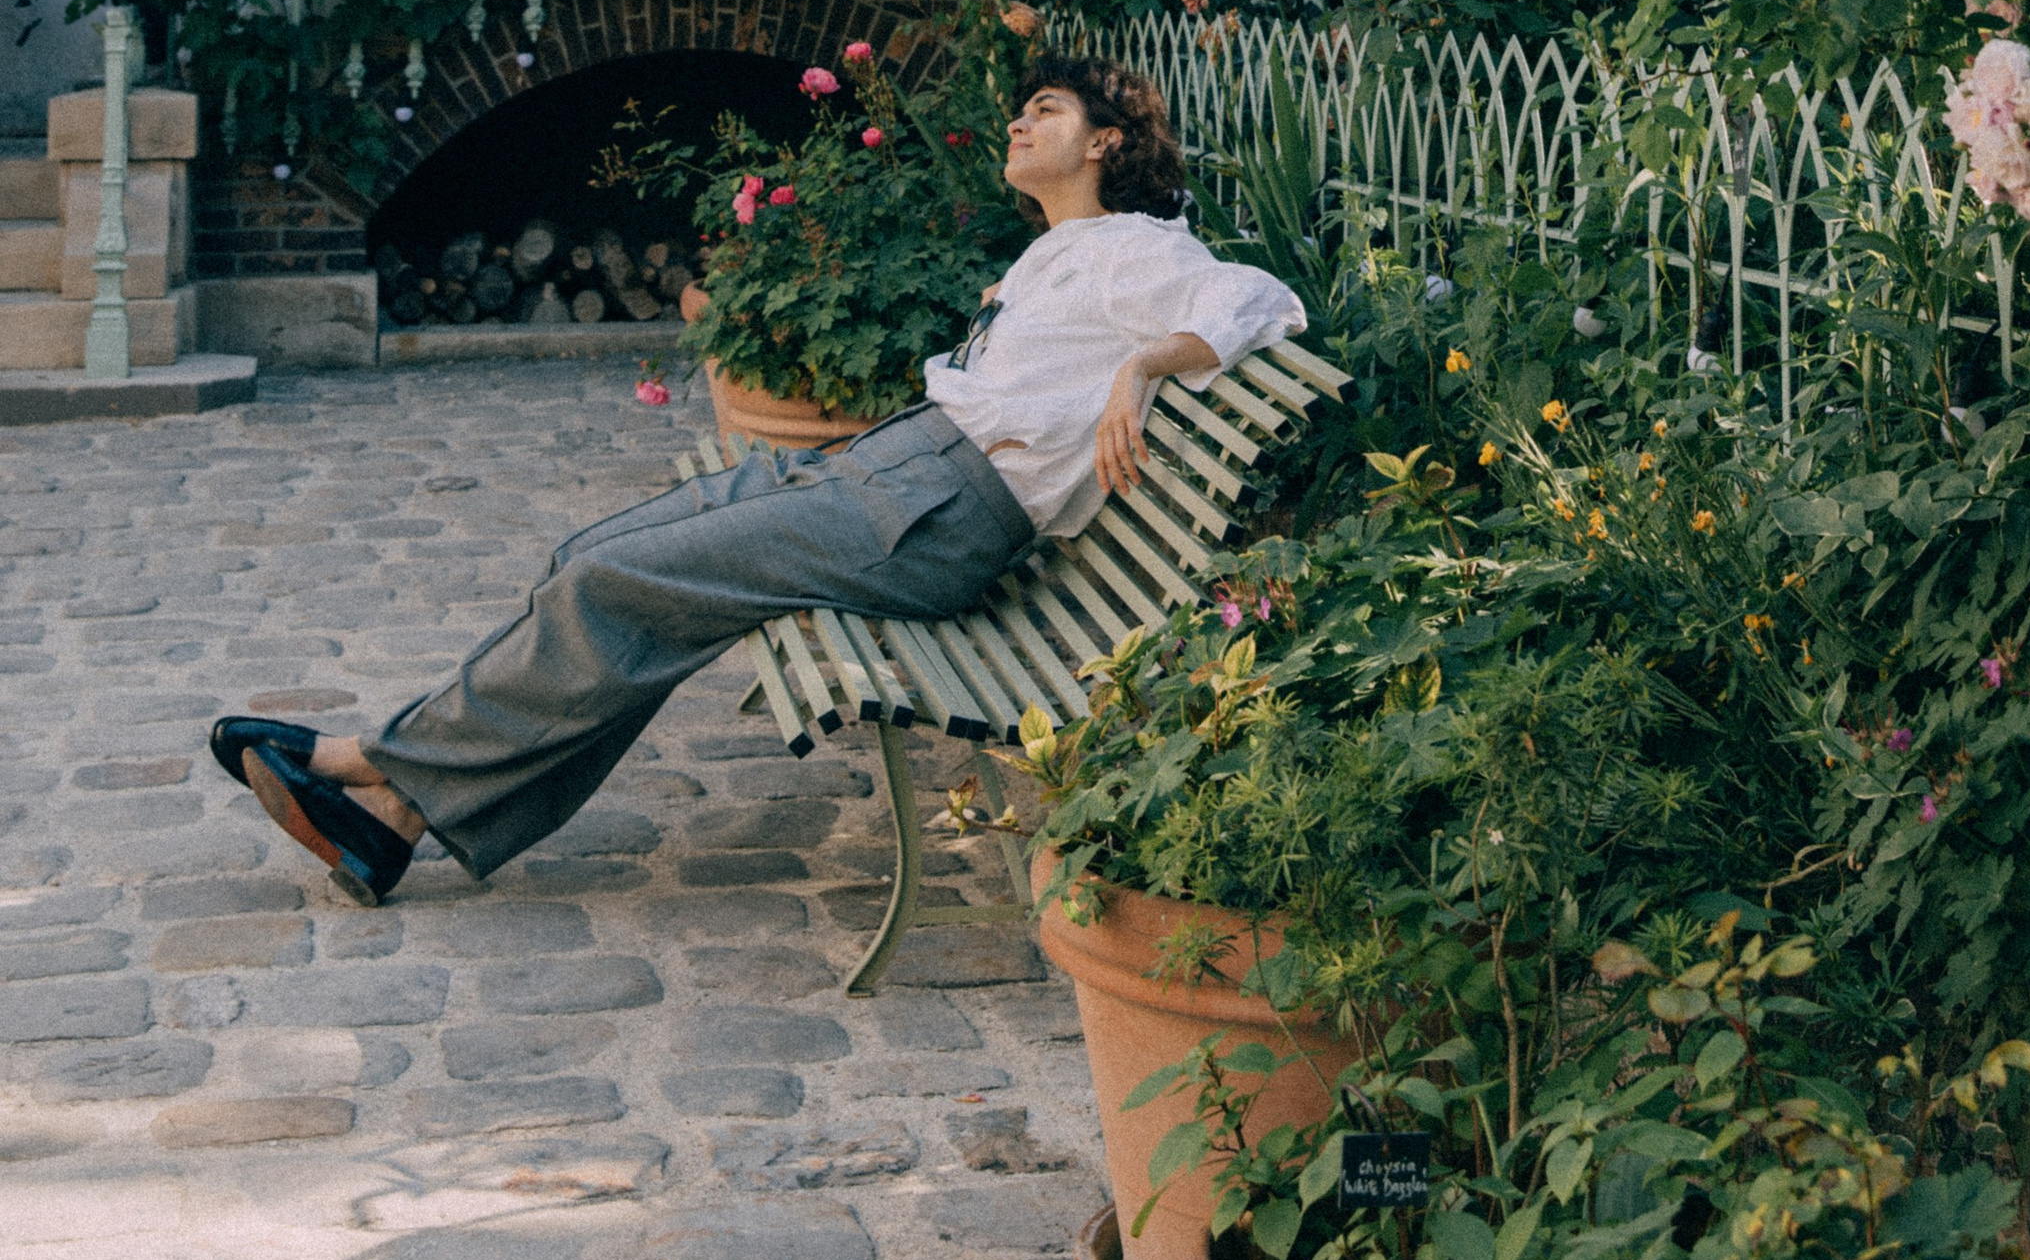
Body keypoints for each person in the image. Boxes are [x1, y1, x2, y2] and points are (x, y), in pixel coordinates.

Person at [213, 57, 1304, 907]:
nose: (1021, 122)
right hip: (893, 472)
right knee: (590, 563)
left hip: (931, 512)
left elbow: (1259, 299)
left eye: (1049, 108)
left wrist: (1143, 365)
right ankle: (397, 817)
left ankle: (366, 761)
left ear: (1106, 141)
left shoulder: (1136, 248)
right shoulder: (1056, 255)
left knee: (609, 582)